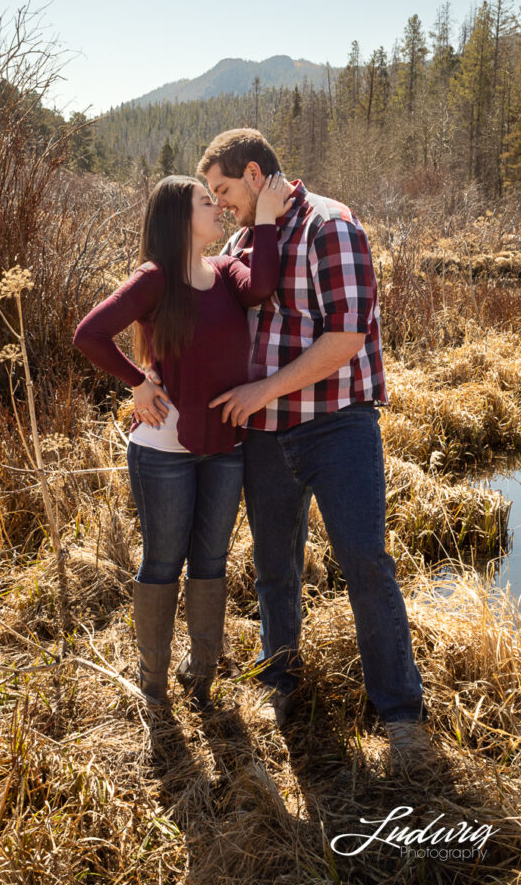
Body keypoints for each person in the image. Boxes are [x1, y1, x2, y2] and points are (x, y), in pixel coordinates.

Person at [195, 129, 428, 765]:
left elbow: (347, 337)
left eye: (222, 191)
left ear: (251, 173)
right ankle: (280, 682)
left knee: (363, 561)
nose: (221, 207)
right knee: (275, 568)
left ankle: (401, 712)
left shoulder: (331, 226)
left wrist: (263, 388)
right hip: (265, 435)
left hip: (336, 425)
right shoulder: (249, 239)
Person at [73, 173, 291, 710]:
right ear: (178, 217)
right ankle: (152, 686)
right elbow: (89, 335)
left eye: (215, 198)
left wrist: (264, 219)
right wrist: (139, 383)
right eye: (204, 200)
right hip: (163, 448)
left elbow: (262, 286)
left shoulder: (225, 272)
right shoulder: (155, 279)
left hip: (225, 447)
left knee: (212, 559)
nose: (216, 206)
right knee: (165, 559)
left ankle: (203, 677)